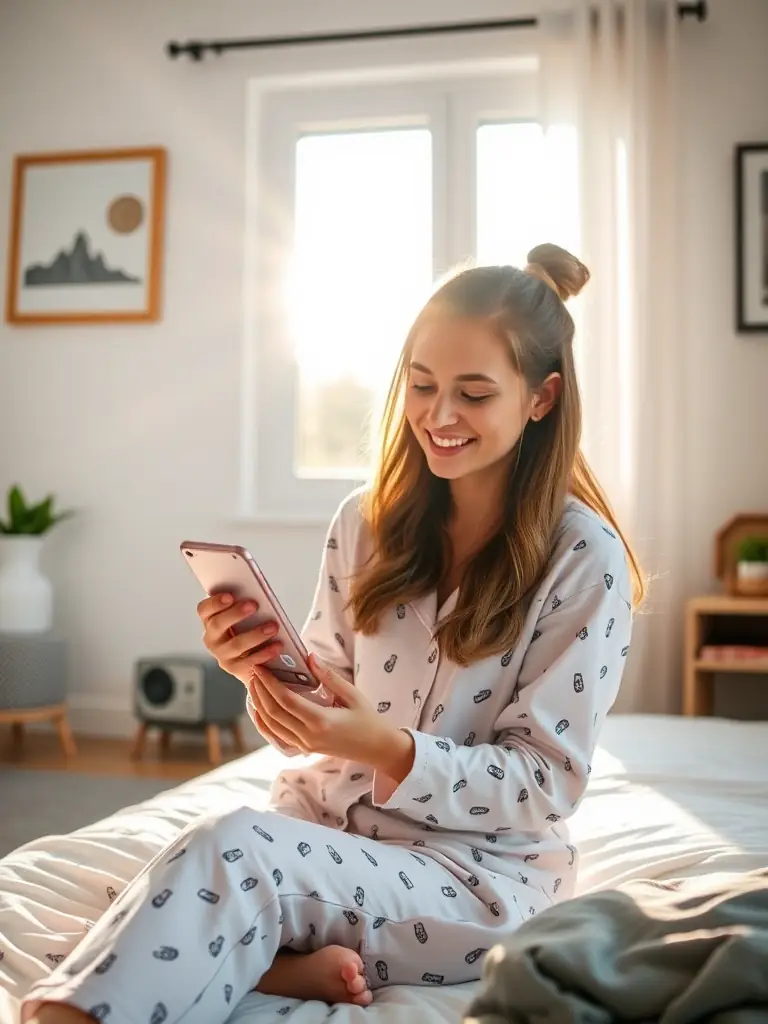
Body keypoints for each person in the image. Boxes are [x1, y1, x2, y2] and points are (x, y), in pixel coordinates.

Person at [23, 243, 642, 1024]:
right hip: (323, 828)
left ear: (542, 398)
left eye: (474, 394)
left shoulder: (584, 559)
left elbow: (545, 783)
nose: (438, 417)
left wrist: (381, 746)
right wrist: (259, 673)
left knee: (230, 858)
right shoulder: (366, 521)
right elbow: (316, 720)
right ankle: (289, 964)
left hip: (471, 876)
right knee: (143, 896)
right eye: (421, 386)